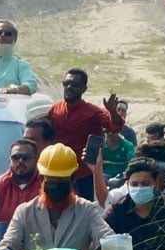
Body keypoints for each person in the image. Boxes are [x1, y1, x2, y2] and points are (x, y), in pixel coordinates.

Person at [45, 68, 124, 201]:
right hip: (57, 173)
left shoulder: (93, 112)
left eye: (74, 85)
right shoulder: (55, 109)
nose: (69, 87)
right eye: (66, 83)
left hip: (82, 175)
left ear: (84, 89)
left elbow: (115, 126)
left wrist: (113, 112)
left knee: (82, 214)